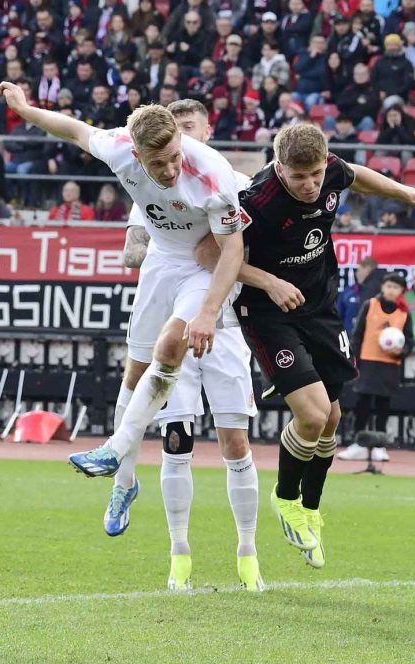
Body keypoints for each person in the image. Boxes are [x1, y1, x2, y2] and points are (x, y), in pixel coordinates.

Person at [195, 123, 415, 570]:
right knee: (312, 415)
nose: (311, 185)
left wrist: (411, 195)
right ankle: (285, 498)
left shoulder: (330, 169)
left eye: (315, 174)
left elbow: (356, 174)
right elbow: (208, 254)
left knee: (332, 416)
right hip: (269, 312)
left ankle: (311, 506)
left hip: (319, 306)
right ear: (279, 168)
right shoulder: (258, 200)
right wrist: (269, 281)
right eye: (299, 178)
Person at [0, 82, 246, 536]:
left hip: (200, 268)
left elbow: (232, 252)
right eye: (159, 163)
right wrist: (25, 109)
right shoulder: (118, 148)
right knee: (133, 374)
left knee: (174, 340)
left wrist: (209, 312)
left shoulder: (213, 173)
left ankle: (114, 445)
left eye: (175, 155)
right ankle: (124, 484)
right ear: (135, 152)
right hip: (161, 261)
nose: (171, 168)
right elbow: (72, 129)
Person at [117, 98, 264, 592]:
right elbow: (137, 240)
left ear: (205, 129)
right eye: (174, 131)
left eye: (187, 128)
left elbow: (237, 248)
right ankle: (179, 553)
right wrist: (145, 248)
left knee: (235, 443)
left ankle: (248, 552)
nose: (180, 140)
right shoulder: (152, 183)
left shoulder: (232, 184)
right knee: (175, 438)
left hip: (223, 332)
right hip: (179, 324)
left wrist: (236, 264)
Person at [337, 272, 415, 463]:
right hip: (368, 362)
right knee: (362, 403)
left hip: (389, 365)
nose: (391, 290)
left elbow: (410, 342)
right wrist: (353, 360)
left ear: (401, 291)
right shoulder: (370, 305)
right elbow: (357, 334)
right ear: (382, 287)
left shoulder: (404, 313)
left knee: (383, 405)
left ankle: (380, 445)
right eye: (388, 286)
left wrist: (401, 350)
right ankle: (358, 444)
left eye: (396, 287)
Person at [336, 256, 379, 334]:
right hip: (348, 338)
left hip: (370, 338)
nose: (358, 273)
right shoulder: (347, 292)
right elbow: (337, 317)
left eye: (369, 271)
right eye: (359, 269)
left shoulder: (379, 294)